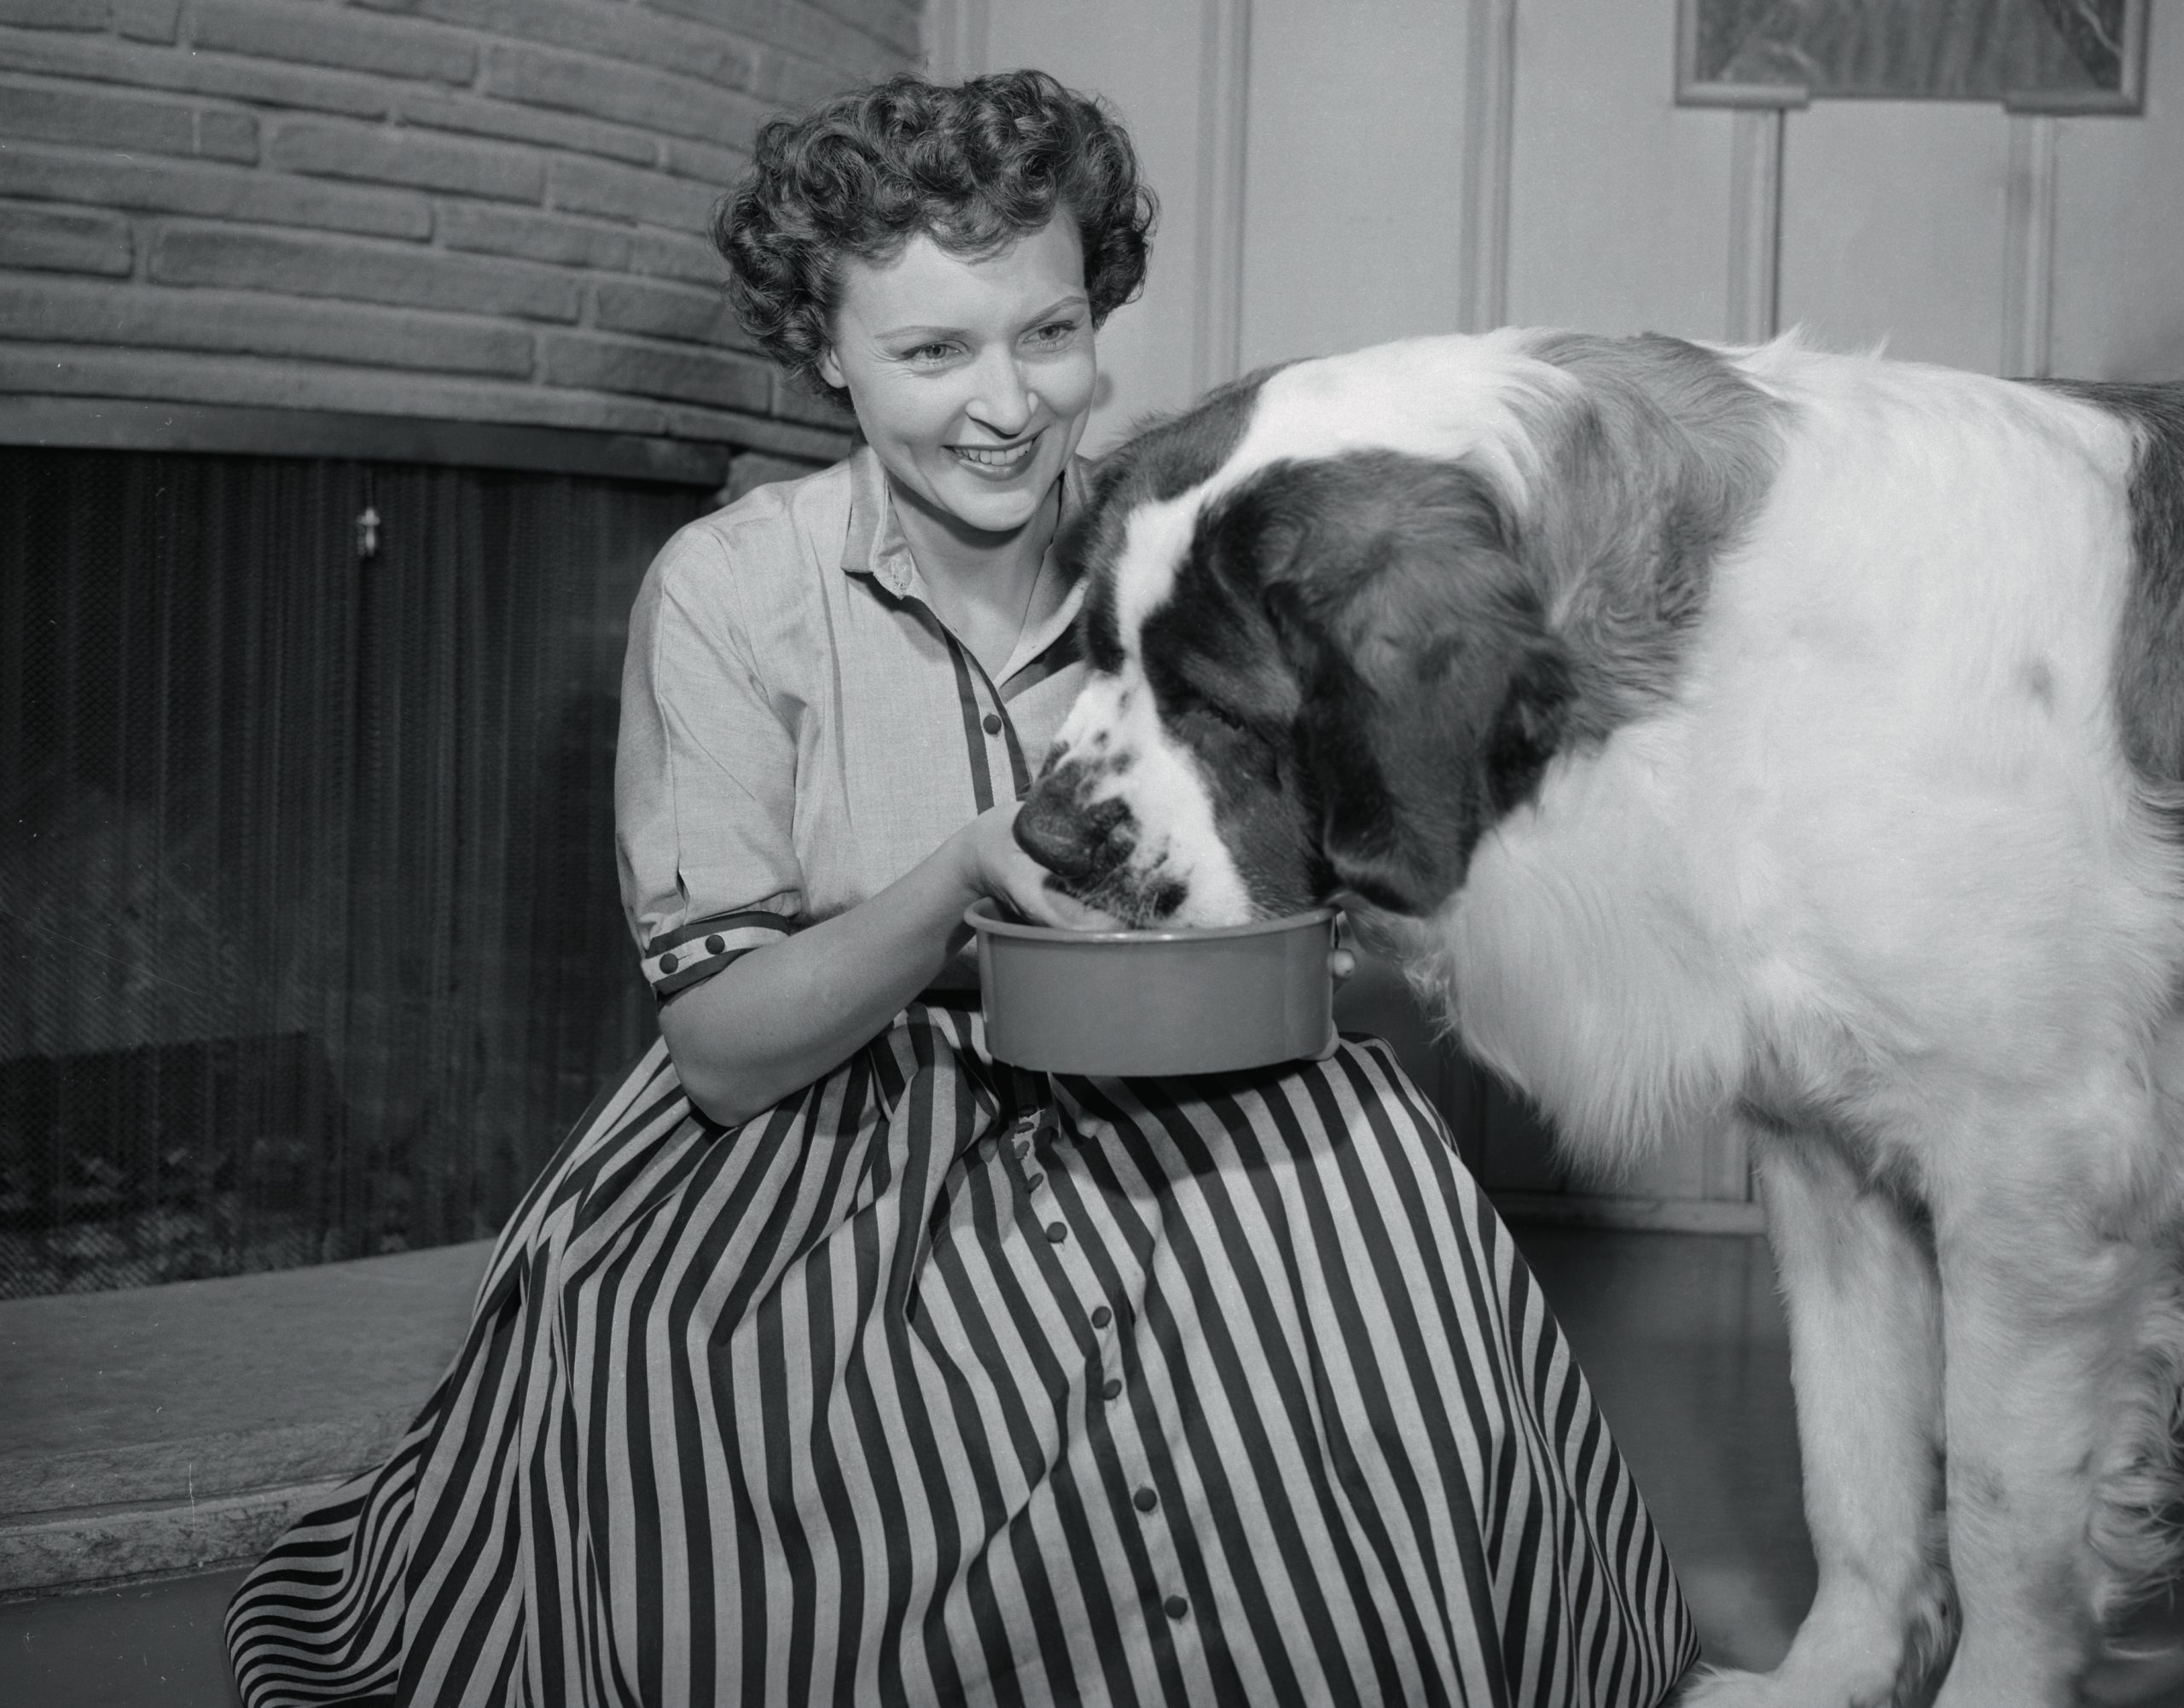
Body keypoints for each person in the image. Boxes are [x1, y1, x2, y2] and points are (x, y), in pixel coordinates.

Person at [227, 69, 1699, 1707]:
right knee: (722, 1430)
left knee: (1381, 1265)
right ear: (827, 355)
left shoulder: (1182, 548)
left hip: (1184, 1086)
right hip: (815, 1127)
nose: (1007, 402)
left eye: (1048, 335)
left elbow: (1347, 903)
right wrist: (957, 885)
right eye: (930, 351)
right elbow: (720, 1047)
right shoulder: (732, 590)